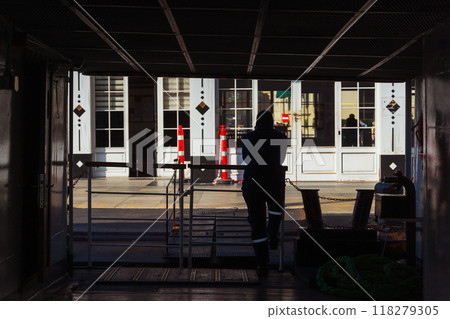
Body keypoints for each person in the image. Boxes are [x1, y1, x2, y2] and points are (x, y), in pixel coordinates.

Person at [241, 110, 288, 276]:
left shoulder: (247, 138)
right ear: (272, 121)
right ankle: (273, 234)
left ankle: (262, 264)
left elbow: (246, 159)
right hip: (274, 180)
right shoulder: (281, 137)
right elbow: (281, 160)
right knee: (276, 209)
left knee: (257, 222)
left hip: (253, 182)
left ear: (256, 122)